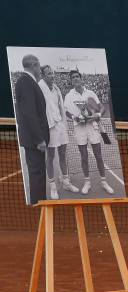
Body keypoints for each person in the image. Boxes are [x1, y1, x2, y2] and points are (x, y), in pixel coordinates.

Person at [63, 70, 114, 195]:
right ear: (71, 80)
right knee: (84, 156)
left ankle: (103, 181)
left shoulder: (90, 93)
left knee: (99, 156)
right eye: (73, 77)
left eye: (77, 77)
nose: (75, 79)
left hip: (92, 127)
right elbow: (66, 111)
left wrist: (96, 115)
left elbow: (102, 107)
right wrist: (74, 118)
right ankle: (87, 182)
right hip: (79, 128)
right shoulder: (69, 96)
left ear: (81, 78)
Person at [38, 65, 80, 199]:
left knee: (62, 154)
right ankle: (53, 187)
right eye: (49, 74)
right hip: (49, 127)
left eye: (52, 73)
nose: (52, 75)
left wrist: (63, 122)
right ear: (43, 75)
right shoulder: (39, 88)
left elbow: (59, 107)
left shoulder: (56, 88)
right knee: (50, 157)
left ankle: (66, 182)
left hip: (60, 126)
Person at [13, 54, 49, 205]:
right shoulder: (25, 81)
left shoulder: (28, 81)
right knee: (37, 174)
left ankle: (41, 203)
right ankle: (38, 205)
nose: (40, 69)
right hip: (35, 140)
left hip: (34, 139)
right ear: (34, 64)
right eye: (39, 65)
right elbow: (30, 113)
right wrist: (39, 139)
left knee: (39, 173)